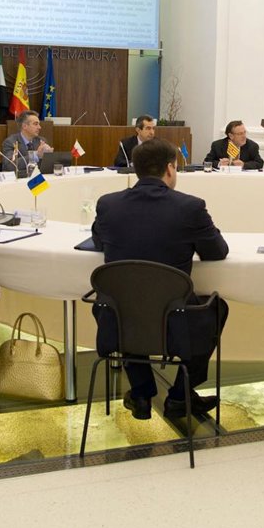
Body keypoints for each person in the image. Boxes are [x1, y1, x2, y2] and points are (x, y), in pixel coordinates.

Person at [91, 138, 229, 420]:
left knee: (130, 304)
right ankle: (179, 395)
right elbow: (217, 251)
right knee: (216, 308)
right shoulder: (190, 207)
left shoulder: (108, 204)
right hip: (175, 321)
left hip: (118, 321)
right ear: (169, 168)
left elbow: (98, 240)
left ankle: (141, 391)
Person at [0, 110, 54, 176]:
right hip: (19, 180)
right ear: (24, 126)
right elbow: (9, 166)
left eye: (39, 124)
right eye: (35, 124)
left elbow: (46, 168)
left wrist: (49, 156)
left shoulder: (41, 141)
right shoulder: (10, 142)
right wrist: (36, 155)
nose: (39, 127)